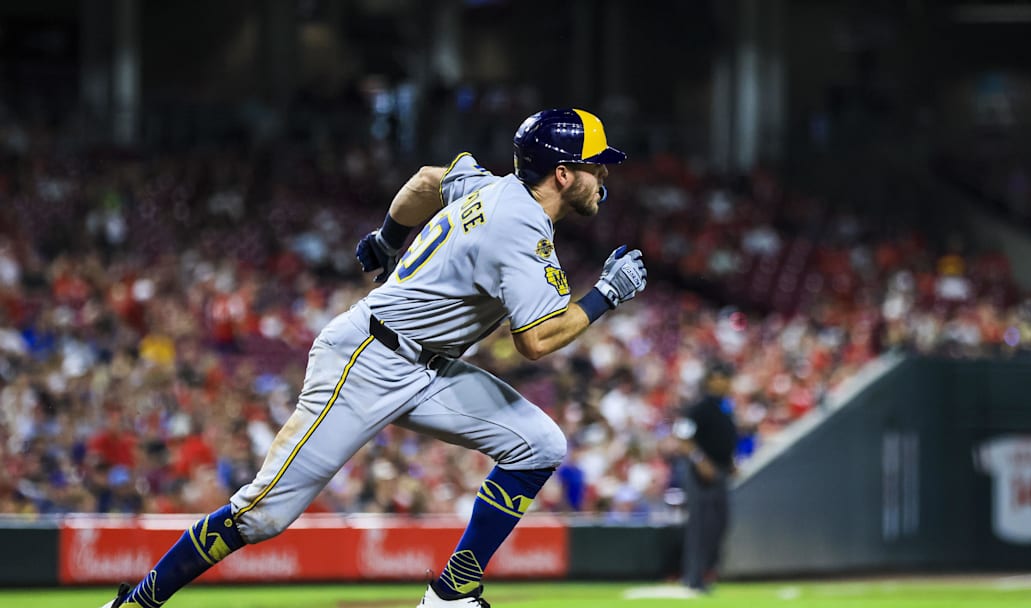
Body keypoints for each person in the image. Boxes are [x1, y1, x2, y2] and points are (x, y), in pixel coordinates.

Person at [98, 108, 647, 608]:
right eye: (597, 167)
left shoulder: (490, 187)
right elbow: (537, 340)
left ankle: (453, 593)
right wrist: (607, 295)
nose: (606, 178)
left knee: (540, 444)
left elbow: (427, 180)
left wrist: (387, 240)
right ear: (563, 174)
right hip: (366, 359)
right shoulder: (521, 226)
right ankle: (135, 604)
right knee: (261, 514)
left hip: (425, 366)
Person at [672, 362, 738, 594]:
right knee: (699, 526)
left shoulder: (726, 408)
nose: (725, 382)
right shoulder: (699, 407)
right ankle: (694, 578)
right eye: (720, 377)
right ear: (710, 381)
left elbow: (723, 438)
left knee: (719, 524)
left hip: (720, 470)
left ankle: (706, 573)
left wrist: (730, 462)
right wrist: (700, 460)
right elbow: (682, 437)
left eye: (727, 378)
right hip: (699, 472)